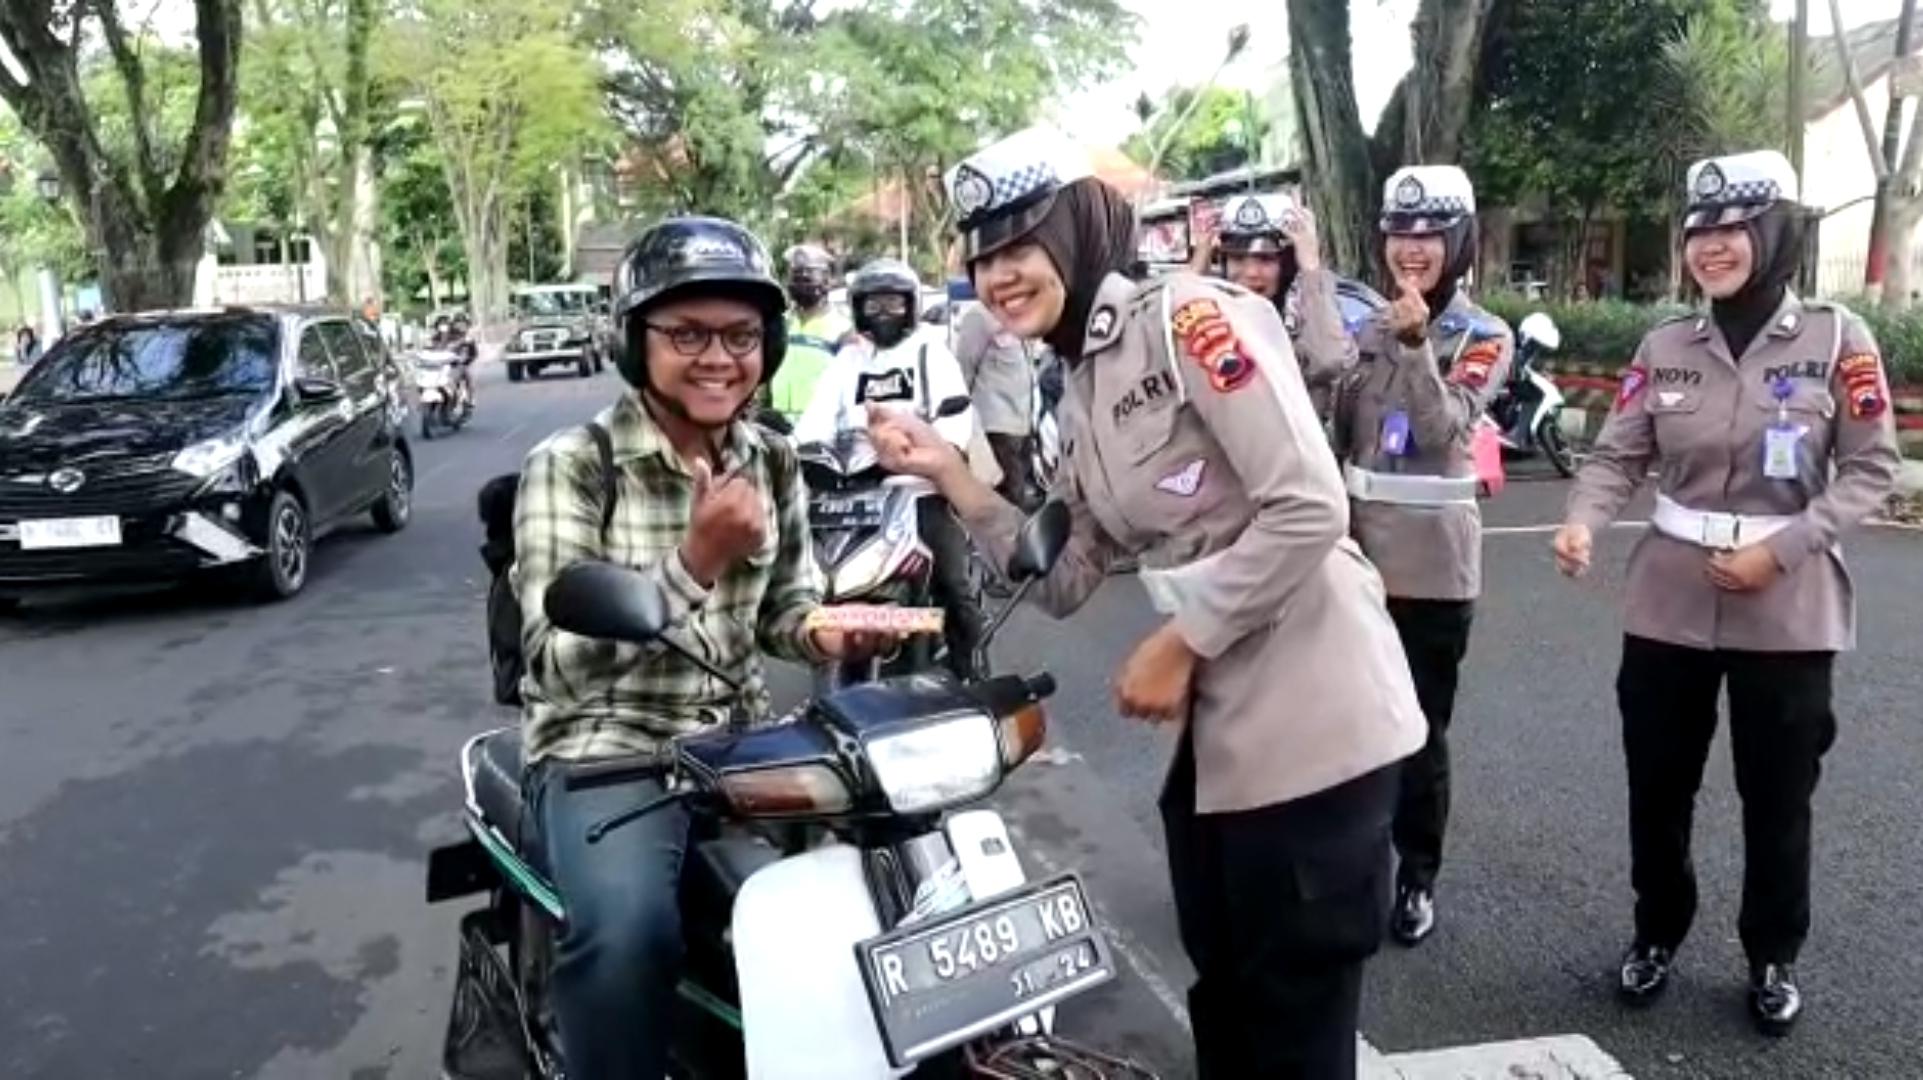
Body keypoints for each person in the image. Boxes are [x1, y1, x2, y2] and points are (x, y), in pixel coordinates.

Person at [869, 126, 1425, 1079]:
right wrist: (950, 475)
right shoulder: (1081, 380)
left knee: (1293, 1016)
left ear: (1075, 231)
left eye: (1017, 246)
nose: (997, 275)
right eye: (981, 256)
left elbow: (1307, 506)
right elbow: (1069, 574)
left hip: (1313, 720)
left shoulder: (1191, 321)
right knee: (1226, 993)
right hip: (1219, 744)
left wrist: (1183, 639)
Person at [512, 216, 886, 1079]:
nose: (718, 357)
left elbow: (785, 605)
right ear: (632, 341)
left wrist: (824, 627)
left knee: (884, 879)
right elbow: (552, 663)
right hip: (603, 750)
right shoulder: (571, 465)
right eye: (686, 334)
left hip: (741, 742)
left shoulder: (772, 461)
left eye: (741, 336)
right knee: (627, 937)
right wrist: (695, 560)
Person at [1552, 150, 1899, 1035]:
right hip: (1667, 602)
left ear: (1771, 234)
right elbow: (1617, 454)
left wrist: (1781, 551)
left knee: (1776, 796)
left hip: (1786, 610)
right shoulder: (1664, 344)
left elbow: (1869, 471)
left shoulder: (1835, 340)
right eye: (1698, 231)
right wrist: (1583, 519)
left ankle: (1771, 953)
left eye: (1730, 229)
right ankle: (1654, 932)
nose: (1709, 246)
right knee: (1656, 787)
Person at [1328, 165, 1513, 949]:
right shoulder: (1363, 327)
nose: (1411, 249)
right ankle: (1354, 863)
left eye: (1428, 235)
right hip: (1355, 559)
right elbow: (1337, 428)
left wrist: (1414, 344)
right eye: (1399, 235)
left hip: (1434, 570)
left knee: (1419, 732)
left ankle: (1416, 874)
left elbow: (1443, 432)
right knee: (1346, 722)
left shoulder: (1483, 337)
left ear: (1457, 243)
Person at [795, 257, 988, 679]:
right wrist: (801, 452)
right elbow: (815, 420)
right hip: (853, 495)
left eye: (892, 304)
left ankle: (972, 665)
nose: (882, 314)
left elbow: (954, 415)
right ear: (858, 309)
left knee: (952, 581)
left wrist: (933, 452)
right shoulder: (847, 362)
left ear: (911, 305)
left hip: (918, 486)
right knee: (816, 582)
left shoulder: (929, 353)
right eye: (873, 305)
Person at [1190, 192, 1375, 405]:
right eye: (1237, 258)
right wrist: (1195, 273)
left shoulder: (1307, 318)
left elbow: (1329, 361)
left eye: (1265, 259)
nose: (1251, 272)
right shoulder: (1214, 318)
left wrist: (1311, 271)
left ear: (1286, 265)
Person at [952, 298, 1040, 507]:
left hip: (1023, 421)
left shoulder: (1018, 313)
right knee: (1009, 496)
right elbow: (964, 369)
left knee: (1022, 494)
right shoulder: (979, 316)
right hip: (996, 425)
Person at [767, 244, 851, 421]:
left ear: (827, 281)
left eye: (808, 279)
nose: (801, 284)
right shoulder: (782, 323)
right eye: (796, 278)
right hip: (779, 424)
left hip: (823, 425)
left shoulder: (843, 327)